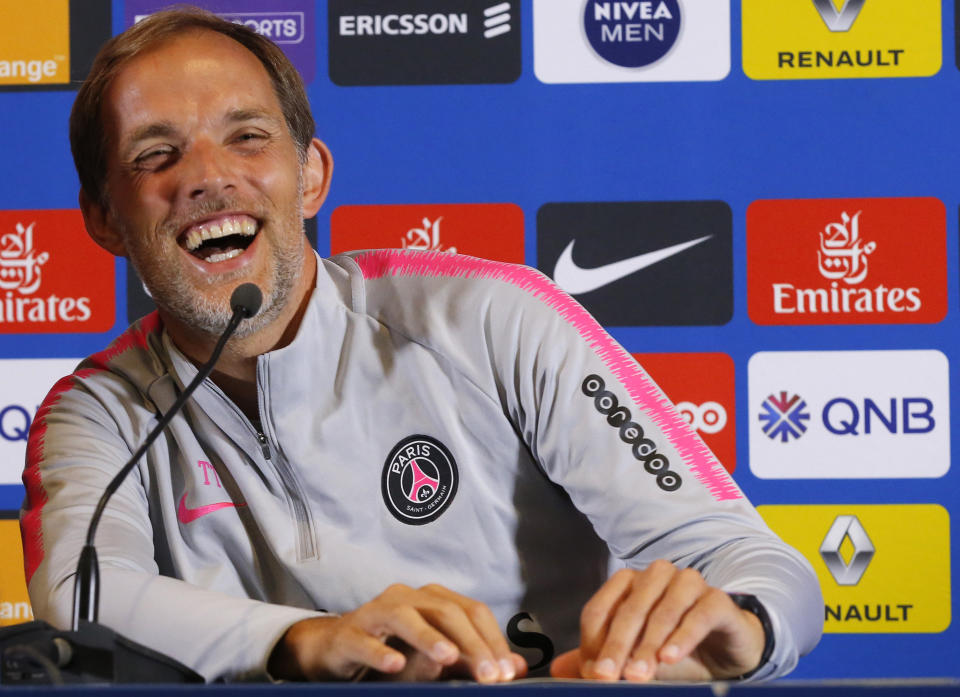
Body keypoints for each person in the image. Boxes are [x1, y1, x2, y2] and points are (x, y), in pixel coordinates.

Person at [21, 7, 822, 684]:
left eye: (247, 137)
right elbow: (82, 595)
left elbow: (755, 563)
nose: (206, 176)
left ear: (310, 178)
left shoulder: (491, 318)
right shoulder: (96, 411)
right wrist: (307, 639)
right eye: (155, 154)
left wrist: (742, 624)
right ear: (103, 220)